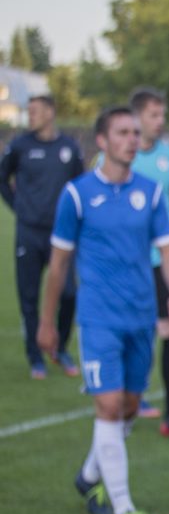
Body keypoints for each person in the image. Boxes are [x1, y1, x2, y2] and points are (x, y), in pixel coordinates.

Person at [41, 105, 169, 514]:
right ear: (101, 141)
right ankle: (123, 508)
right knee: (108, 405)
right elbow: (59, 265)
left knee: (128, 407)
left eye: (135, 132)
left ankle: (88, 476)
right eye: (122, 132)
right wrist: (48, 323)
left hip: (141, 317)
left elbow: (168, 247)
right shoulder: (77, 195)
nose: (132, 139)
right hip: (98, 318)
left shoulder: (150, 193)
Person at [0, 93, 84, 378]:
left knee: (69, 294)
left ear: (50, 112)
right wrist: (18, 207)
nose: (30, 116)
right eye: (29, 111)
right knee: (29, 296)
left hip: (62, 235)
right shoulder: (19, 146)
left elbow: (80, 186)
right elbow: (2, 178)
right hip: (29, 232)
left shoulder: (69, 148)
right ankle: (35, 356)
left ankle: (60, 348)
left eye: (35, 111)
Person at [126, 87, 169, 434]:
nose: (160, 120)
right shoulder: (116, 158)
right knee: (132, 331)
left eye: (162, 114)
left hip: (160, 261)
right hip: (126, 262)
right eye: (153, 114)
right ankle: (130, 397)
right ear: (137, 117)